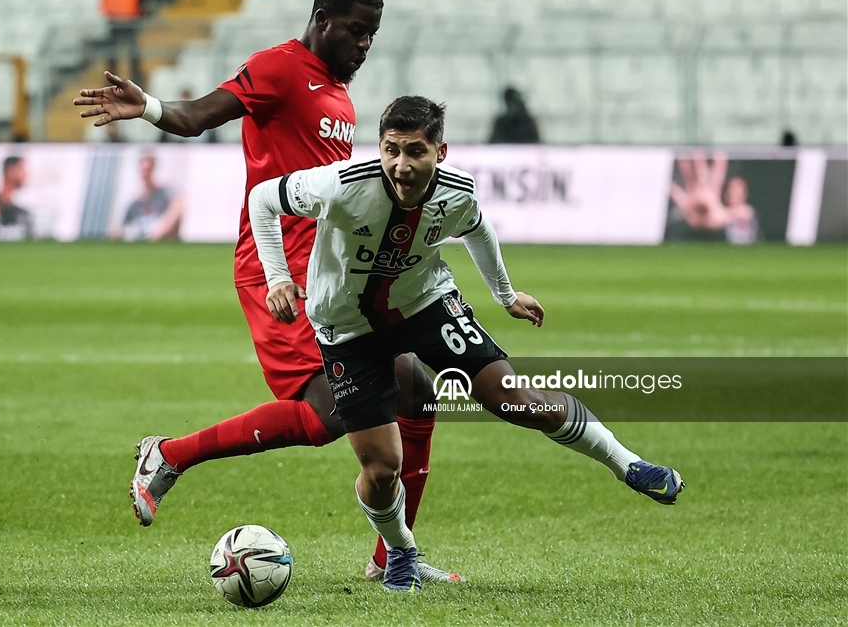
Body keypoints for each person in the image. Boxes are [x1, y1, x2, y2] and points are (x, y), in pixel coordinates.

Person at [74, 0, 457, 583]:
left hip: (335, 278)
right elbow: (200, 114)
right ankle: (168, 455)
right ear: (323, 19)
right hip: (278, 274)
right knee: (327, 416)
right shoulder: (279, 68)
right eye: (356, 32)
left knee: (415, 387)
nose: (364, 45)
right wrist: (145, 106)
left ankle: (396, 560)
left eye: (373, 36)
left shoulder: (339, 95)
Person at [248, 96, 685, 592]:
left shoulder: (457, 191)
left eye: (415, 151)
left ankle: (629, 465)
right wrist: (278, 277)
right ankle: (401, 553)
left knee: (517, 400)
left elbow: (478, 229)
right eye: (391, 149)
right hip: (347, 328)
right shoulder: (342, 183)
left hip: (423, 305)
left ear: (440, 150)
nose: (401, 164)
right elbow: (263, 197)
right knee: (382, 466)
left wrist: (505, 294)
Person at [101, 0, 147, 86]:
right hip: (114, 16)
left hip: (131, 16)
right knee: (112, 53)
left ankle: (136, 80)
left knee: (132, 52)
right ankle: (111, 81)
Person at [116, 152, 185, 241]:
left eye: (148, 169)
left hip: (162, 240)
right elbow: (121, 227)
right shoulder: (134, 203)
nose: (145, 174)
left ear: (154, 168)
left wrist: (162, 229)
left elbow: (179, 205)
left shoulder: (167, 192)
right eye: (143, 170)